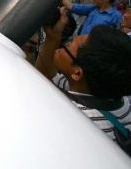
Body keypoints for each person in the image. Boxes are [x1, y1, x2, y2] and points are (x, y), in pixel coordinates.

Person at [35, 9, 131, 144]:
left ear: (77, 73)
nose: (59, 49)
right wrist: (53, 37)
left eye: (67, 45)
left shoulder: (69, 121)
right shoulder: (117, 99)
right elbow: (49, 77)